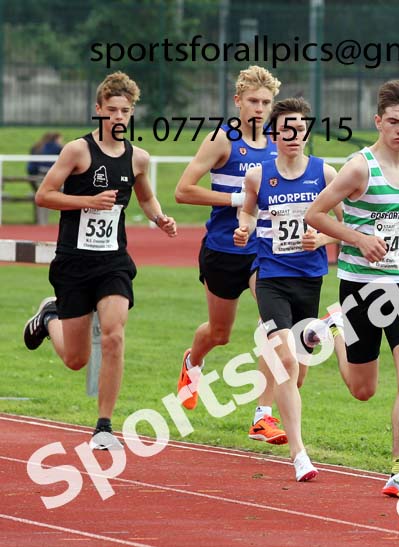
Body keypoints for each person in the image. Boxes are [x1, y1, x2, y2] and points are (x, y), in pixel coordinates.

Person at [305, 80, 399, 498]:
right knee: (362, 389)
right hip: (359, 287)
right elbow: (316, 215)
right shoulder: (359, 168)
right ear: (378, 121)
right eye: (393, 122)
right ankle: (335, 329)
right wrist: (357, 238)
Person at [23, 72, 177, 449]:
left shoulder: (138, 157)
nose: (118, 117)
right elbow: (44, 196)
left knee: (114, 334)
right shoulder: (77, 151)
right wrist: (86, 202)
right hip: (74, 262)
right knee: (75, 359)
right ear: (98, 111)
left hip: (113, 261)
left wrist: (159, 218)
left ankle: (104, 427)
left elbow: (145, 197)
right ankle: (49, 316)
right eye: (112, 110)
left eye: (125, 111)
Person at [233, 97, 348, 481]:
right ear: (274, 133)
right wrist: (245, 226)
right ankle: (300, 455)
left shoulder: (325, 173)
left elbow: (342, 224)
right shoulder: (259, 175)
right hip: (271, 278)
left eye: (300, 129)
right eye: (286, 129)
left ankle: (322, 327)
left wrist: (324, 241)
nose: (294, 135)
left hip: (309, 279)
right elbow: (248, 209)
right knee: (285, 362)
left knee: (297, 372)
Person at [174, 65, 287, 444]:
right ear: (238, 101)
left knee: (272, 327)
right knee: (219, 333)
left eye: (265, 102)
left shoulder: (279, 142)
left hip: (263, 250)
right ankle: (193, 361)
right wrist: (236, 198)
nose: (259, 108)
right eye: (252, 101)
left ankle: (262, 415)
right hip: (223, 249)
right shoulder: (221, 140)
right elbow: (183, 190)